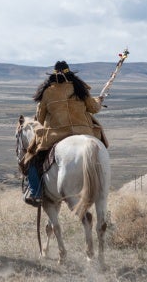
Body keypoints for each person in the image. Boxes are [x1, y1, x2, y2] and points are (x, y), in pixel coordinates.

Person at [22, 60, 108, 206]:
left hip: (56, 134)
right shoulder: (79, 88)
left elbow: (40, 119)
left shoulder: (47, 92)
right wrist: (98, 100)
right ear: (70, 74)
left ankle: (35, 192)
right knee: (101, 149)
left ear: (53, 75)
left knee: (31, 158)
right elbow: (94, 108)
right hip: (84, 131)